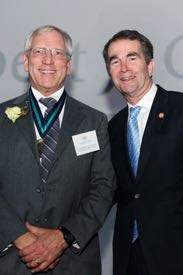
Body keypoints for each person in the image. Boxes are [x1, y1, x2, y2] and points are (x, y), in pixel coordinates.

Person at [0, 25, 116, 275]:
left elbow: (104, 187)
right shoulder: (0, 117)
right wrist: (19, 236)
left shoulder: (94, 121)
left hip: (74, 263)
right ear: (25, 59)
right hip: (10, 260)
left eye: (57, 53)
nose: (48, 60)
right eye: (39, 51)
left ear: (69, 64)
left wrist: (63, 237)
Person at [103, 29, 183, 275]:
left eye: (132, 57)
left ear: (150, 66)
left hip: (175, 252)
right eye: (115, 61)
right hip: (130, 255)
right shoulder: (112, 127)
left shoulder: (179, 108)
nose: (123, 67)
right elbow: (109, 189)